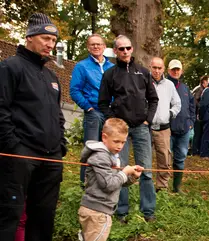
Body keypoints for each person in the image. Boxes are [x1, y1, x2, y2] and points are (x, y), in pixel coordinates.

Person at [0, 13, 66, 241]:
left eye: (53, 40)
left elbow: (58, 115)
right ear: (29, 38)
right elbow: (1, 110)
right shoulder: (10, 68)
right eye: (45, 38)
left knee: (44, 212)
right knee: (9, 212)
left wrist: (61, 145)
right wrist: (13, 146)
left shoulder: (51, 76)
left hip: (51, 157)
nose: (50, 44)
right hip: (20, 154)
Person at [98, 35, 159, 222]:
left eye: (128, 48)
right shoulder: (109, 74)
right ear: (115, 51)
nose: (125, 51)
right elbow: (102, 102)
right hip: (120, 131)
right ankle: (121, 211)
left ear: (132, 49)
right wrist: (114, 122)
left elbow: (153, 99)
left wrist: (148, 120)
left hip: (141, 127)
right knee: (120, 170)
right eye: (121, 49)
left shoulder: (143, 72)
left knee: (146, 171)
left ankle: (148, 211)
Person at [79, 118, 142, 241]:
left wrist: (131, 177)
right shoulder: (100, 156)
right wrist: (124, 172)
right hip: (95, 211)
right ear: (104, 137)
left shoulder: (111, 156)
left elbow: (117, 183)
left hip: (101, 211)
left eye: (123, 142)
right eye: (116, 141)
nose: (120, 146)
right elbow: (108, 185)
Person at [70, 34, 114, 184]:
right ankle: (86, 183)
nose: (96, 46)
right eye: (92, 44)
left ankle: (104, 182)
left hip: (110, 114)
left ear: (104, 47)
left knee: (109, 149)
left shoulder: (112, 68)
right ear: (88, 47)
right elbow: (74, 91)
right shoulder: (81, 66)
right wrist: (88, 108)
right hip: (93, 113)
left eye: (99, 44)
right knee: (91, 149)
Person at [150, 57, 181, 192]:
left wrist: (170, 113)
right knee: (144, 158)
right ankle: (145, 185)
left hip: (163, 128)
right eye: (154, 67)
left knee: (164, 159)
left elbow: (177, 103)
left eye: (159, 68)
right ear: (150, 67)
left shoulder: (169, 85)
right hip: (146, 127)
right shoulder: (143, 82)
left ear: (163, 69)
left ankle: (162, 188)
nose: (157, 71)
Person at [167, 59, 195, 193]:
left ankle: (177, 187)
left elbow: (192, 105)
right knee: (166, 159)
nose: (176, 71)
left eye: (178, 69)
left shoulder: (185, 88)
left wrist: (191, 122)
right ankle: (163, 187)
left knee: (180, 158)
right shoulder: (164, 85)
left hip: (184, 129)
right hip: (168, 129)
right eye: (173, 69)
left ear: (181, 71)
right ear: (168, 71)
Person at [191, 75, 209, 155]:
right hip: (197, 114)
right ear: (203, 82)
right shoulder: (200, 89)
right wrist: (201, 107)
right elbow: (195, 101)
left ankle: (196, 150)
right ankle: (195, 151)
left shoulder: (199, 89)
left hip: (196, 114)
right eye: (207, 82)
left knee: (198, 133)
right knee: (197, 133)